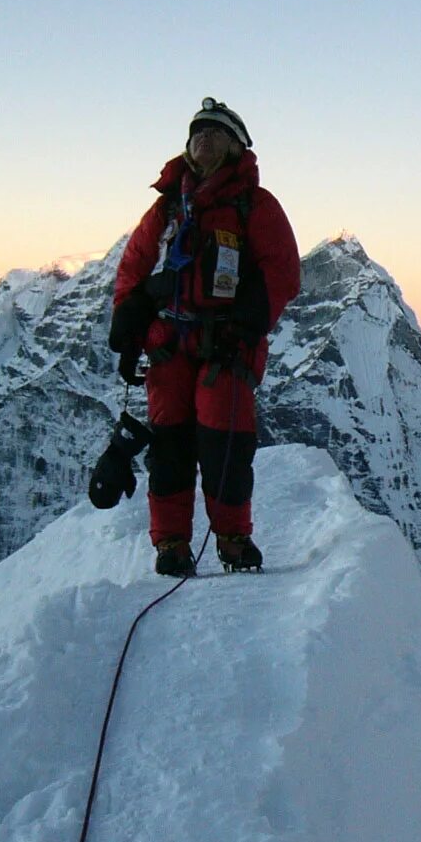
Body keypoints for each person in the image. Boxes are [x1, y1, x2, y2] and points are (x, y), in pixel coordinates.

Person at [109, 98, 301, 576]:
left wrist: (248, 323)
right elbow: (133, 269)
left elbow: (282, 272)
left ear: (236, 148)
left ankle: (233, 536)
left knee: (226, 441)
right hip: (169, 340)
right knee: (169, 444)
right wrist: (129, 329)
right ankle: (171, 543)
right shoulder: (167, 208)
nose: (205, 140)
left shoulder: (255, 205)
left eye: (215, 134)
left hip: (226, 344)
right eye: (198, 134)